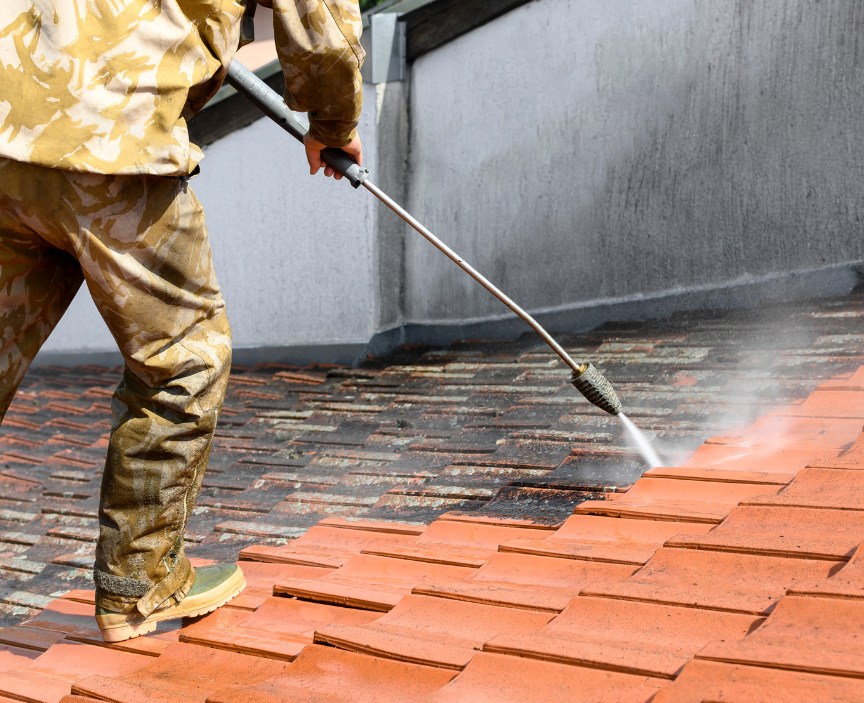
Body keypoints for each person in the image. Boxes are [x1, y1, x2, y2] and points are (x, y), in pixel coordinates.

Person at [0, 0, 364, 642]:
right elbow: (323, 30)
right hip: (113, 145)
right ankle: (139, 585)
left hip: (6, 124)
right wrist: (333, 124)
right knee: (183, 360)